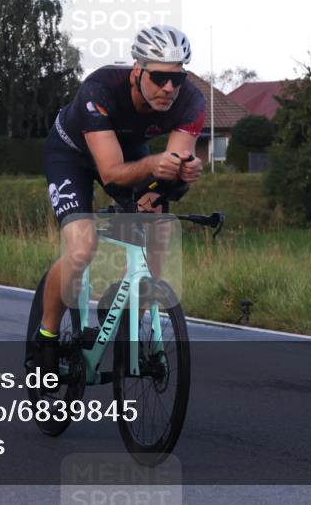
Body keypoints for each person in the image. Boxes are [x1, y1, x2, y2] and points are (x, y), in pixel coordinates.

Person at [34, 24, 206, 385]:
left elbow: (173, 170)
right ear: (137, 71)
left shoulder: (191, 101)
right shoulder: (99, 89)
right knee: (82, 246)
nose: (169, 88)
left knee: (157, 224)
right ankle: (46, 337)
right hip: (72, 155)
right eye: (159, 78)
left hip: (128, 150)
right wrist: (155, 165)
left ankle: (131, 315)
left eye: (177, 78)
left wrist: (181, 176)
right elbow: (111, 175)